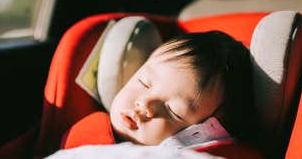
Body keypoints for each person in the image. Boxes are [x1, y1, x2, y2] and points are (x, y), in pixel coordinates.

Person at [47, 30, 258, 158]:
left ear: (202, 132)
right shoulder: (79, 136)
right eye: (143, 82)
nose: (145, 103)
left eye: (173, 111)